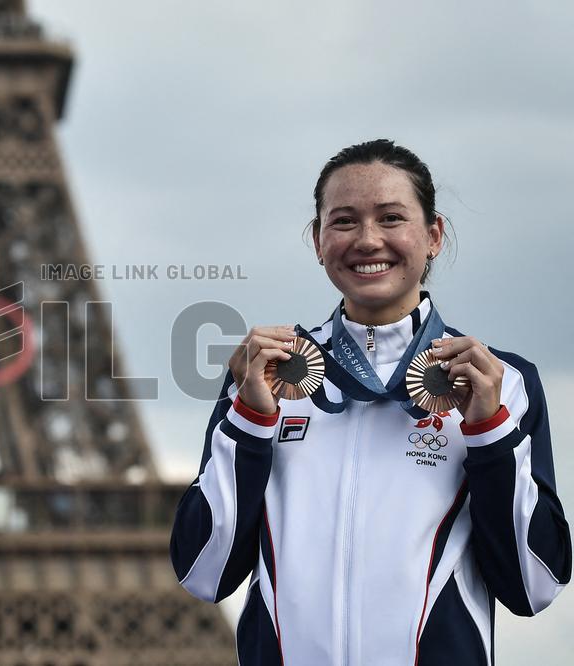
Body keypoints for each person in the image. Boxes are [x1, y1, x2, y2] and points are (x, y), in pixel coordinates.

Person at [169, 139, 572, 665]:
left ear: (433, 235)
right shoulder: (261, 376)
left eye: (391, 218)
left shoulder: (502, 383)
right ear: (317, 240)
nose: (367, 240)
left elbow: (533, 586)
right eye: (343, 222)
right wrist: (249, 421)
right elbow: (204, 574)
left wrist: (490, 431)